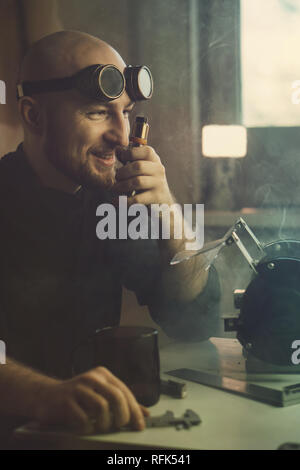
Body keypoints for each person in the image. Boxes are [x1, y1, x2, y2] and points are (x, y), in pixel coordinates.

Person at [0, 30, 220, 437]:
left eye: (126, 111)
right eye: (98, 112)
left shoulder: (112, 201)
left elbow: (194, 319)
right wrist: (46, 395)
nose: (121, 136)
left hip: (94, 432)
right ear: (33, 115)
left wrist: (169, 213)